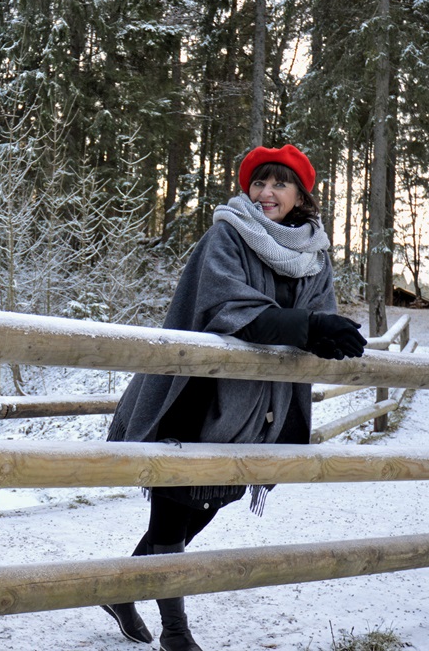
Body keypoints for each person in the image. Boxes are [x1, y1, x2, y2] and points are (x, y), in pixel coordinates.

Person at [101, 145, 366, 651]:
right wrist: (307, 326)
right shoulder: (227, 233)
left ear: (299, 195)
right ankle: (175, 630)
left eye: (279, 185)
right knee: (174, 508)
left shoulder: (314, 253)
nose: (266, 193)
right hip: (195, 397)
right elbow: (229, 305)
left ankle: (122, 587)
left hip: (260, 410)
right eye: (259, 183)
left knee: (207, 506)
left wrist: (324, 329)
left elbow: (320, 310)